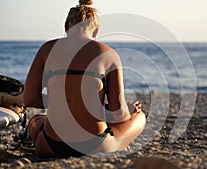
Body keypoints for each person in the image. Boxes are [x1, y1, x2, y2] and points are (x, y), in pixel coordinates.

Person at [23, 0, 146, 158]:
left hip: (50, 145)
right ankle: (119, 143)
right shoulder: (108, 54)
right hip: (95, 146)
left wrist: (61, 102)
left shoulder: (47, 50)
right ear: (96, 31)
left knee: (36, 120)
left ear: (66, 27)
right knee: (140, 117)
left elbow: (30, 99)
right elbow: (118, 115)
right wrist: (129, 111)